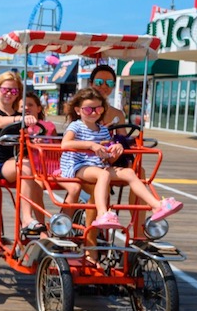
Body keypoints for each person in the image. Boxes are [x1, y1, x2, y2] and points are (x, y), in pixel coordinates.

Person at [58, 88, 183, 265]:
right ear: (78, 110)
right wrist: (91, 145)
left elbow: (106, 154)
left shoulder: (102, 129)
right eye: (88, 109)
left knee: (130, 172)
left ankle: (156, 205)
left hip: (98, 164)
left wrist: (116, 150)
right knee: (103, 175)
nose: (94, 112)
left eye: (98, 109)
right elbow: (65, 144)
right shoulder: (76, 126)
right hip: (78, 165)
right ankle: (103, 213)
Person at [0, 72, 43, 281]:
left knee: (26, 166)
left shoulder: (22, 112)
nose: (9, 94)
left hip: (7, 163)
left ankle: (27, 218)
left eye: (13, 90)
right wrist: (20, 119)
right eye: (5, 89)